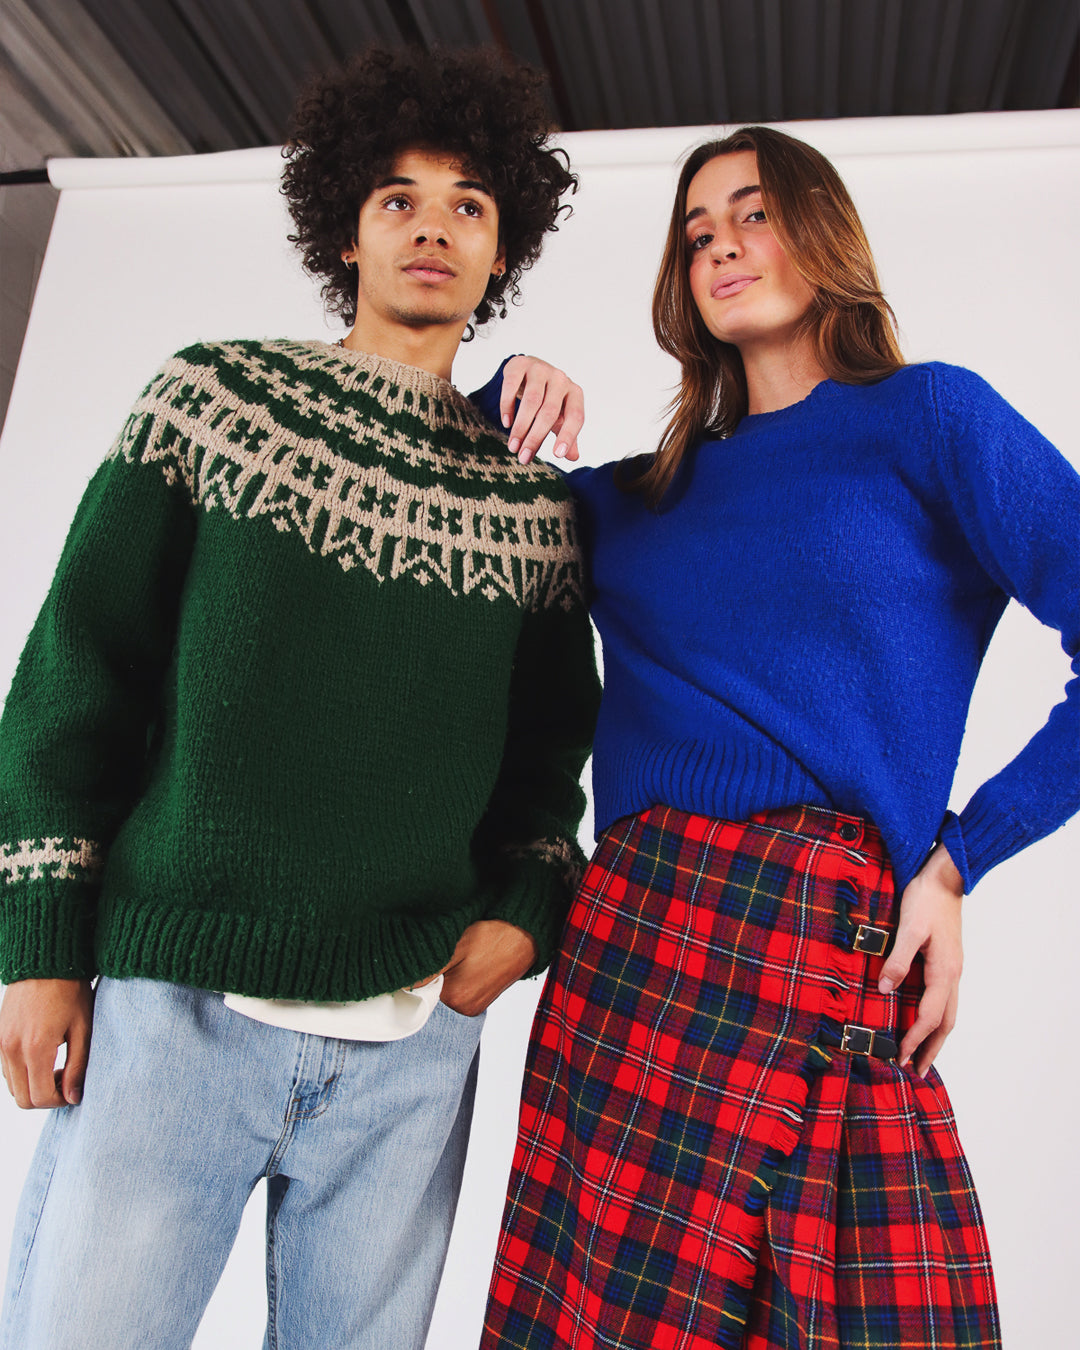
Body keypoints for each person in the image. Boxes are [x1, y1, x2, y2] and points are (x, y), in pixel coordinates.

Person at [0, 46, 600, 1350]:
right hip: (176, 1007)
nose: (432, 225)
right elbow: (76, 668)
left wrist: (525, 907)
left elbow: (550, 751)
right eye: (397, 197)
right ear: (345, 227)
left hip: (411, 1040)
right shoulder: (210, 399)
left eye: (467, 204)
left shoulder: (530, 503)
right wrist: (39, 935)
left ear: (504, 251)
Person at [477, 125, 1078, 1349]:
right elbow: (462, 495)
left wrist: (962, 861)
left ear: (821, 229)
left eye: (752, 213)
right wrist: (506, 388)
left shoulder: (930, 421)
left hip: (824, 923)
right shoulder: (634, 499)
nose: (723, 246)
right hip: (633, 942)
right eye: (698, 233)